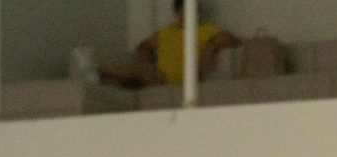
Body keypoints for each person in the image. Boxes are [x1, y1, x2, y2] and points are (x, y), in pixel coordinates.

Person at [99, 0, 242, 89]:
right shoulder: (167, 31)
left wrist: (210, 46)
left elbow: (235, 41)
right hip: (157, 74)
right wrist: (144, 59)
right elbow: (144, 46)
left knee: (125, 74)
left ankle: (123, 79)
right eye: (185, 11)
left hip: (180, 78)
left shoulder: (207, 29)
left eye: (196, 10)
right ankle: (121, 80)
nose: (191, 14)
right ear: (177, 12)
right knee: (113, 72)